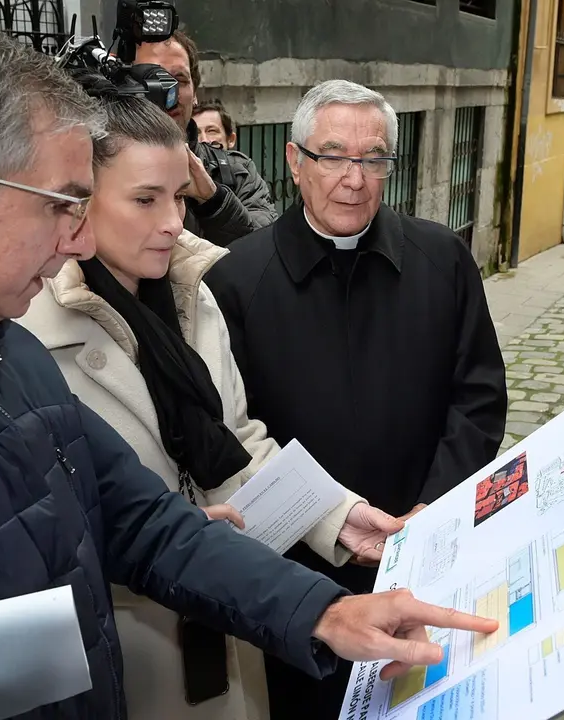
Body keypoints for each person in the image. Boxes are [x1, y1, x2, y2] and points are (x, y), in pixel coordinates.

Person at [0, 16, 498, 720]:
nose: (79, 243)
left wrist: (323, 611)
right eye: (61, 204)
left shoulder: (2, 351)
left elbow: (145, 522)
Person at [18, 92, 404, 720]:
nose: (173, 222)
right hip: (130, 644)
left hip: (229, 627)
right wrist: (179, 537)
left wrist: (338, 516)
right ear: (81, 200)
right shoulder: (29, 332)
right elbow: (43, 527)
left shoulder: (194, 296)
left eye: (179, 197)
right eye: (145, 199)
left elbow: (239, 442)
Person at [205, 79, 509, 719]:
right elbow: (232, 431)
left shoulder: (443, 260)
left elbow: (479, 397)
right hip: (303, 573)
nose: (354, 179)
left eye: (372, 159)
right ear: (295, 163)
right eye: (333, 157)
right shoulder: (235, 279)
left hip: (423, 548)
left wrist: (434, 505)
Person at [134, 29, 279, 245]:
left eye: (179, 80)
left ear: (195, 94)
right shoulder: (96, 170)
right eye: (153, 78)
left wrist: (215, 202)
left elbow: (264, 252)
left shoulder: (238, 173)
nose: (169, 92)